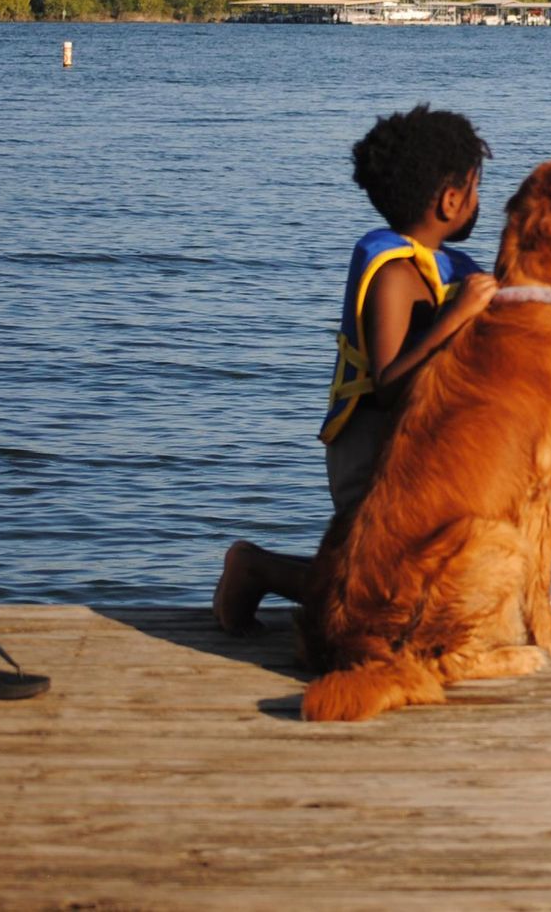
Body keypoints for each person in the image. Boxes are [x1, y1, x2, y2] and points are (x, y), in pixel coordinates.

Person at [212, 105, 497, 635]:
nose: (482, 202)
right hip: (368, 448)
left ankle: (262, 573)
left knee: (393, 578)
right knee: (371, 583)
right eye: (478, 188)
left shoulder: (446, 268)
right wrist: (455, 319)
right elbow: (388, 384)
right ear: (451, 199)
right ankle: (254, 569)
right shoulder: (393, 276)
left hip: (410, 449)